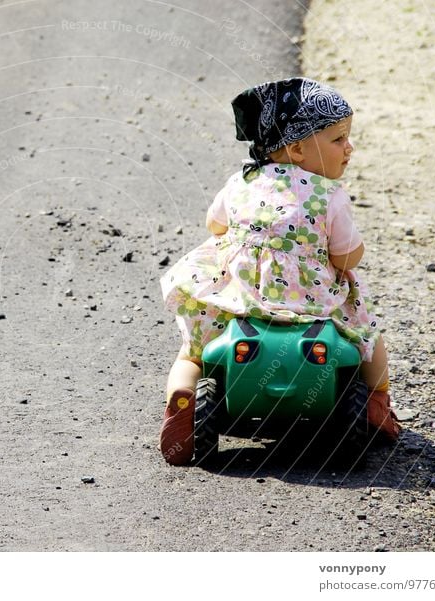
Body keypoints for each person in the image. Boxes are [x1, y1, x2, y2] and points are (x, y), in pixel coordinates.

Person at [159, 77, 400, 466]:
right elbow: (343, 257)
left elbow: (213, 224)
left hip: (238, 301)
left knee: (195, 349)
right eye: (338, 140)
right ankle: (376, 404)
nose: (349, 148)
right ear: (298, 147)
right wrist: (353, 252)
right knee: (368, 338)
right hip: (308, 306)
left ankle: (183, 394)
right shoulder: (328, 196)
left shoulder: (243, 180)